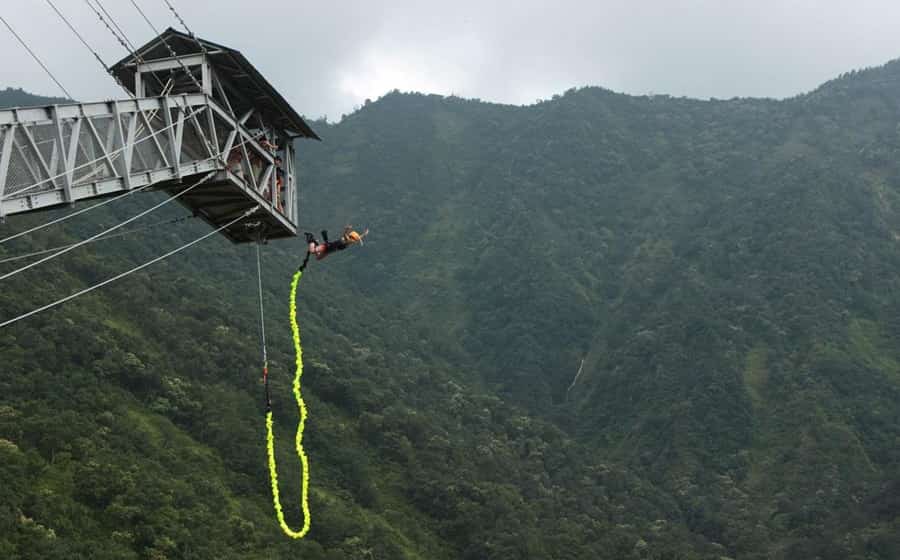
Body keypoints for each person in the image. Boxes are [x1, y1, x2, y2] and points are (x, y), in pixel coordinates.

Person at [299, 226, 368, 270]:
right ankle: (311, 239)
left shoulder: (350, 242)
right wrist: (347, 229)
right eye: (354, 240)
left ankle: (316, 243)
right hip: (326, 247)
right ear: (352, 238)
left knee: (318, 258)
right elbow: (345, 235)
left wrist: (363, 235)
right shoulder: (345, 239)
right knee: (312, 251)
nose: (354, 241)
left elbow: (357, 239)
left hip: (329, 251)